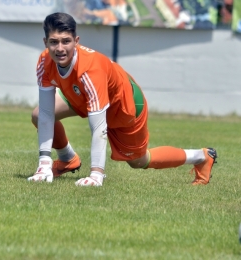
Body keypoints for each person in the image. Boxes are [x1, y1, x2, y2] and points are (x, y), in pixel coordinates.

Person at [27, 12, 217, 186]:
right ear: (45, 42)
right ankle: (68, 159)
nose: (60, 48)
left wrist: (96, 175)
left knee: (139, 161)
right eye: (54, 42)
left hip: (124, 105)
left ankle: (201, 156)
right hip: (86, 94)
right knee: (38, 115)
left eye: (66, 41)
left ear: (76, 41)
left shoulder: (90, 71)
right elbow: (45, 112)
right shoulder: (45, 61)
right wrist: (44, 164)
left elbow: (99, 128)